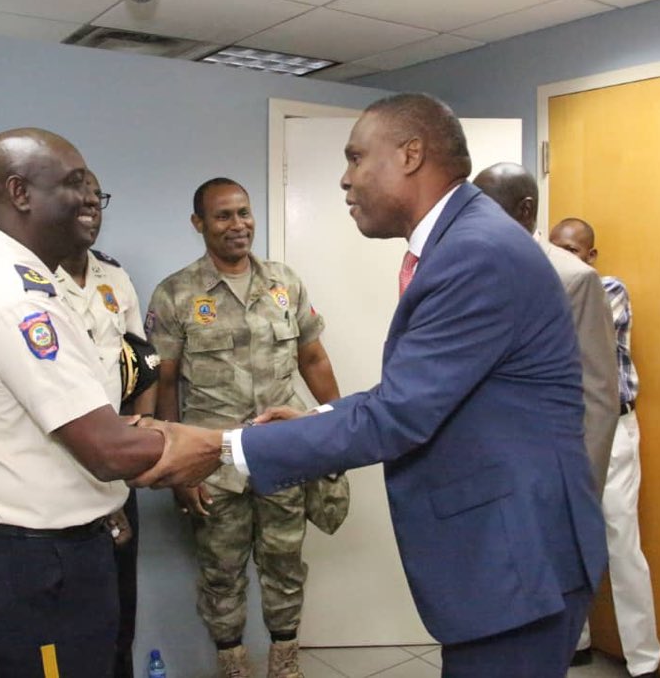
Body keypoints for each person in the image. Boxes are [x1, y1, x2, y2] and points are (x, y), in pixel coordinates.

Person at [132, 94, 608, 677]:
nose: (344, 178)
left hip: (517, 558)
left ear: (410, 155)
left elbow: (399, 415)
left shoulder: (475, 252)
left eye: (356, 158)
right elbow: (415, 396)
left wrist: (220, 446)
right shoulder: (462, 242)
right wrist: (318, 419)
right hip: (505, 557)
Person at [0, 128, 169, 677]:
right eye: (73, 183)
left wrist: (108, 505)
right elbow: (105, 450)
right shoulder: (20, 301)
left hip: (66, 541)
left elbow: (124, 379)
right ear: (20, 193)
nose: (88, 198)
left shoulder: (28, 280)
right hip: (37, 562)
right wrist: (227, 445)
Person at [146, 177, 340, 678]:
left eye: (244, 213)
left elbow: (313, 358)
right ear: (199, 224)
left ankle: (285, 667)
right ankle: (233, 667)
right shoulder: (176, 293)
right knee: (221, 573)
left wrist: (340, 430)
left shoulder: (284, 283)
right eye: (223, 216)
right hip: (213, 463)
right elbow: (165, 384)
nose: (238, 225)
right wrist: (174, 466)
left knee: (285, 566)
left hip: (282, 455)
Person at [55, 170, 159, 678]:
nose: (91, 207)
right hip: (59, 476)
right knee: (68, 633)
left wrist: (144, 425)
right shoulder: (29, 284)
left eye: (99, 198)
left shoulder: (114, 278)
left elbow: (143, 361)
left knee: (119, 617)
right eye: (80, 198)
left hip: (115, 471)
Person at [550, 217, 660, 678]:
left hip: (612, 431)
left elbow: (564, 337)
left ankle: (644, 661)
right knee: (566, 539)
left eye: (572, 250)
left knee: (621, 543)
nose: (563, 257)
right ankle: (576, 642)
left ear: (591, 256)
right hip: (564, 432)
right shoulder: (551, 288)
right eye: (556, 248)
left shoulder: (607, 288)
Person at [472, 163, 619, 495]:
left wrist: (580, 496)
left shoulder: (573, 278)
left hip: (548, 473)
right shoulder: (472, 268)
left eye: (486, 207)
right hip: (485, 474)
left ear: (525, 210)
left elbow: (596, 395)